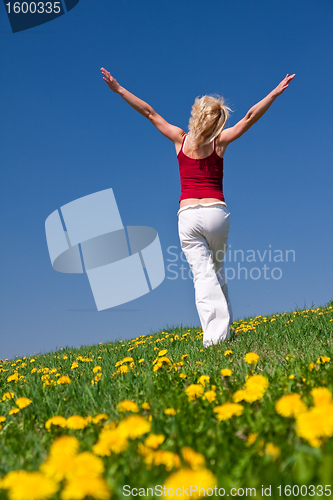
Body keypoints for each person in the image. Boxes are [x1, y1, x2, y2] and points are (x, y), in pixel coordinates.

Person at [100, 68, 295, 347]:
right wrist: (275, 92)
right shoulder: (220, 141)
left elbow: (149, 112)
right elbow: (250, 117)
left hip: (189, 216)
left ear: (196, 114)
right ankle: (224, 333)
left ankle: (215, 338)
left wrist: (119, 89)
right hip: (217, 213)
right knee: (216, 272)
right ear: (217, 121)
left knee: (203, 277)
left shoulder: (181, 140)